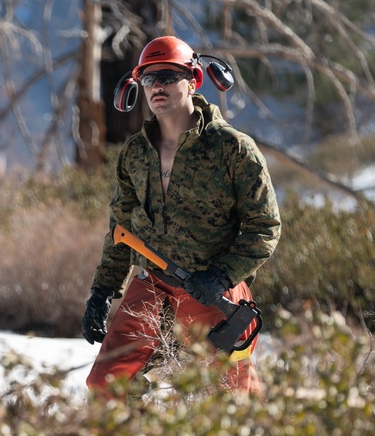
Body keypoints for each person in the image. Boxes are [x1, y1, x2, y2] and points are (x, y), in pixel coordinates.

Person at [82, 35, 281, 395]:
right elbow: (120, 227)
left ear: (194, 80)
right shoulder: (135, 153)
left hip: (212, 294)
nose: (157, 86)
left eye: (168, 76)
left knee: (232, 401)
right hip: (149, 286)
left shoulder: (233, 148)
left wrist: (221, 277)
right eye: (148, 79)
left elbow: (264, 228)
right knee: (106, 386)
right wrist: (102, 290)